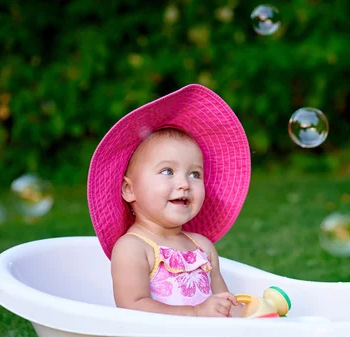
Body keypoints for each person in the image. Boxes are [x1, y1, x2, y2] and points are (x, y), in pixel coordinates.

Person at [87, 84, 251, 317]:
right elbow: (133, 307)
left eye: (195, 174)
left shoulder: (202, 247)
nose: (185, 183)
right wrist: (195, 312)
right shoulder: (132, 248)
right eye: (167, 171)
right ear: (128, 190)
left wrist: (252, 313)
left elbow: (224, 306)